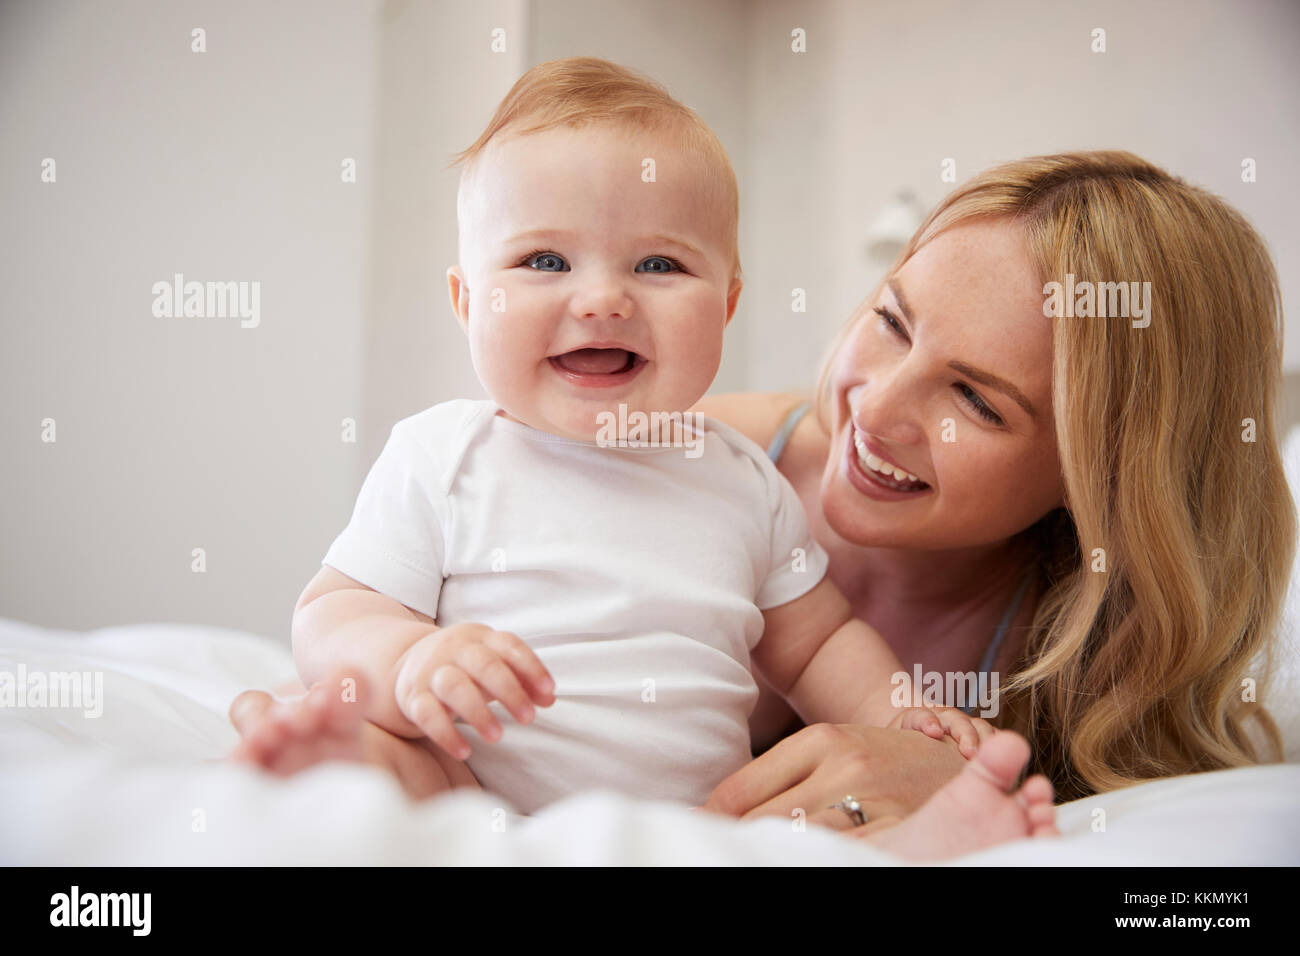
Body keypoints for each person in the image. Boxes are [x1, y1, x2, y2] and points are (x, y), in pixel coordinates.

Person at [229, 57, 1058, 859]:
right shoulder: (444, 456)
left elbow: (818, 645)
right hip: (473, 792)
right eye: (543, 260)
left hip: (697, 826)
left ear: (728, 304)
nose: (602, 298)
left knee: (808, 837)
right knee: (386, 758)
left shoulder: (745, 483)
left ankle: (943, 836)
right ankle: (316, 780)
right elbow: (334, 613)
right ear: (467, 300)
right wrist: (408, 661)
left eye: (659, 264)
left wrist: (903, 716)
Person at [694, 149, 1295, 831]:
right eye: (893, 322)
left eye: (976, 400)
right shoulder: (693, 458)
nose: (878, 409)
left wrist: (962, 784)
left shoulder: (1071, 657)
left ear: (1099, 479)